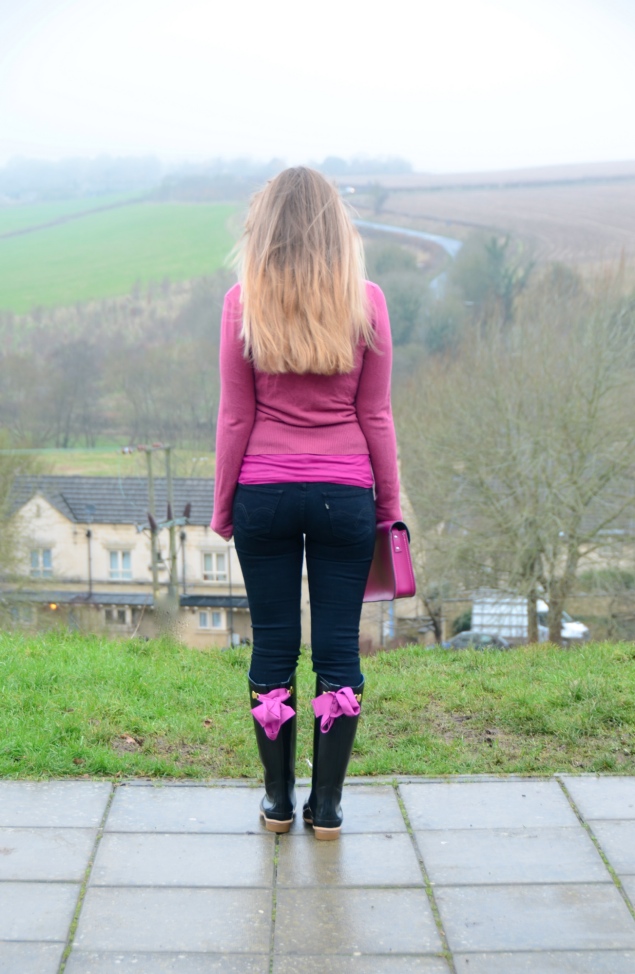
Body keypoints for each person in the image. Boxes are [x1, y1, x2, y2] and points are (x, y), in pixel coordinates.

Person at [211, 167, 402, 840]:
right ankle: (326, 810)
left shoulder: (243, 302)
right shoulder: (367, 302)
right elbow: (375, 415)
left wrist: (223, 505)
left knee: (272, 649)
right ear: (336, 229)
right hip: (344, 492)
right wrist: (389, 509)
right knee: (336, 653)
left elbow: (235, 418)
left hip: (262, 491)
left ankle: (274, 803)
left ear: (263, 230)